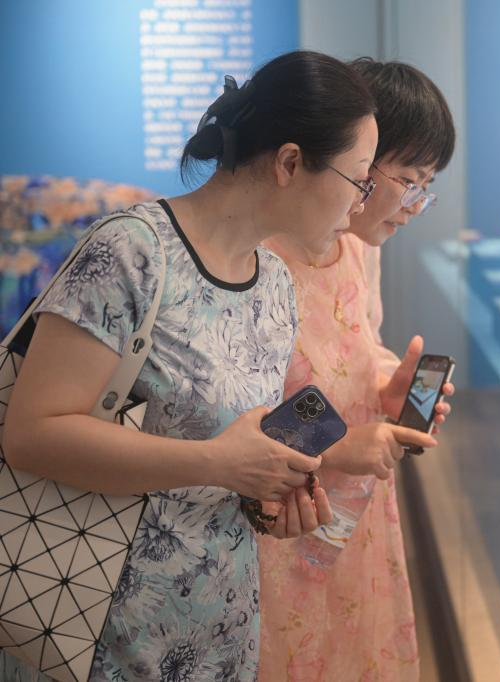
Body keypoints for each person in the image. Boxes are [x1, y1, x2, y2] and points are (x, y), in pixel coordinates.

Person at [1, 50, 379, 681]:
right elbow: (32, 433)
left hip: (221, 632)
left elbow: (233, 459)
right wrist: (218, 462)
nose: (361, 204)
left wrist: (267, 498)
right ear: (290, 163)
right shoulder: (133, 251)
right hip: (97, 630)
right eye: (359, 179)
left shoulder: (275, 284)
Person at [257, 58, 456, 681]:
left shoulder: (357, 250)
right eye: (409, 181)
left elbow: (356, 346)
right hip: (277, 523)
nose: (416, 205)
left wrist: (387, 386)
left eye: (427, 187)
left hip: (351, 518)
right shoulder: (259, 262)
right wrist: (340, 444)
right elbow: (229, 418)